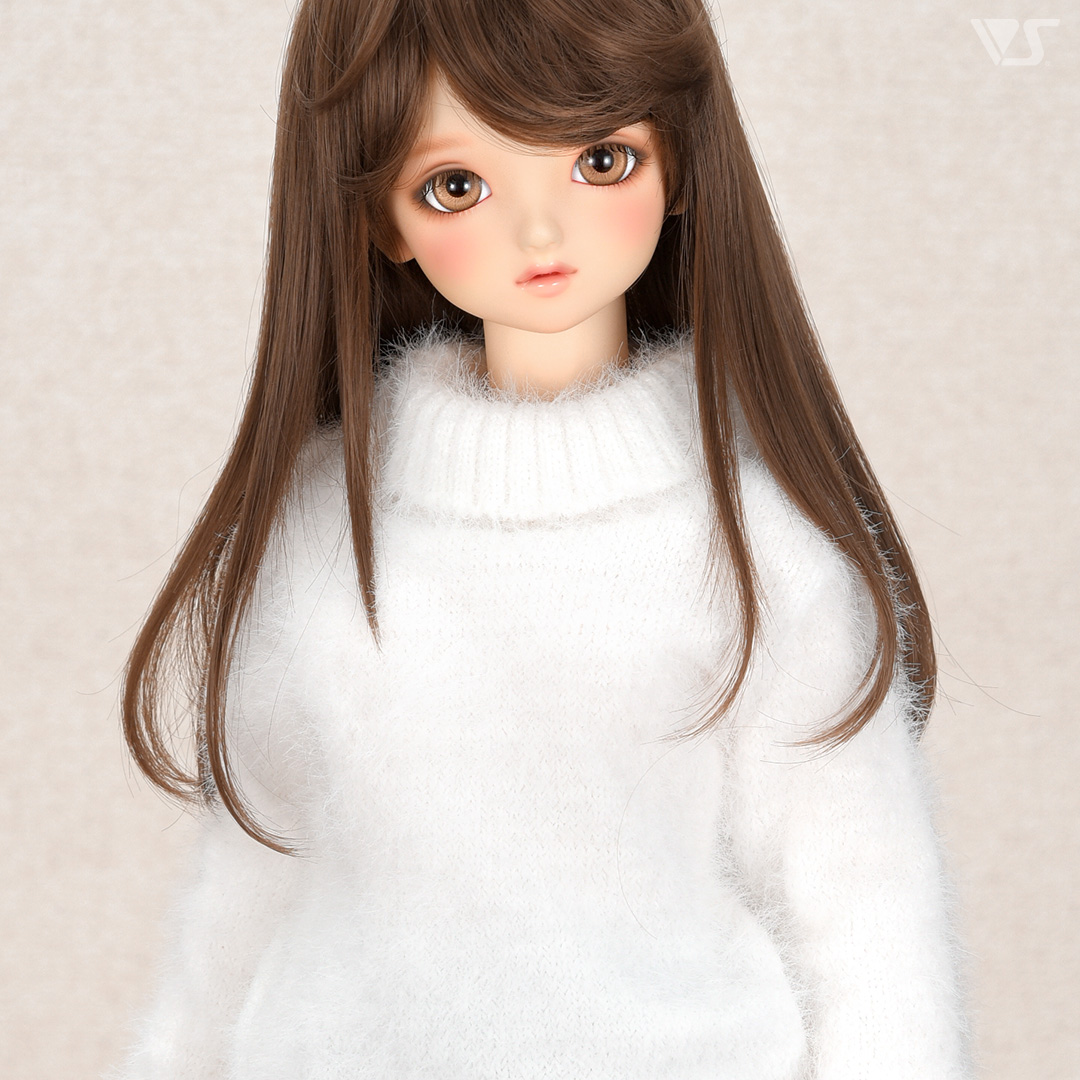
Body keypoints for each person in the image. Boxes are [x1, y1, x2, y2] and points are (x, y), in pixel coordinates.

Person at [110, 0, 972, 1077]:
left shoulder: (761, 557)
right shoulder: (314, 534)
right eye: (456, 185)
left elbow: (866, 921)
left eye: (600, 161)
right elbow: (247, 882)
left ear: (682, 164)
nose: (539, 233)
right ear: (382, 217)